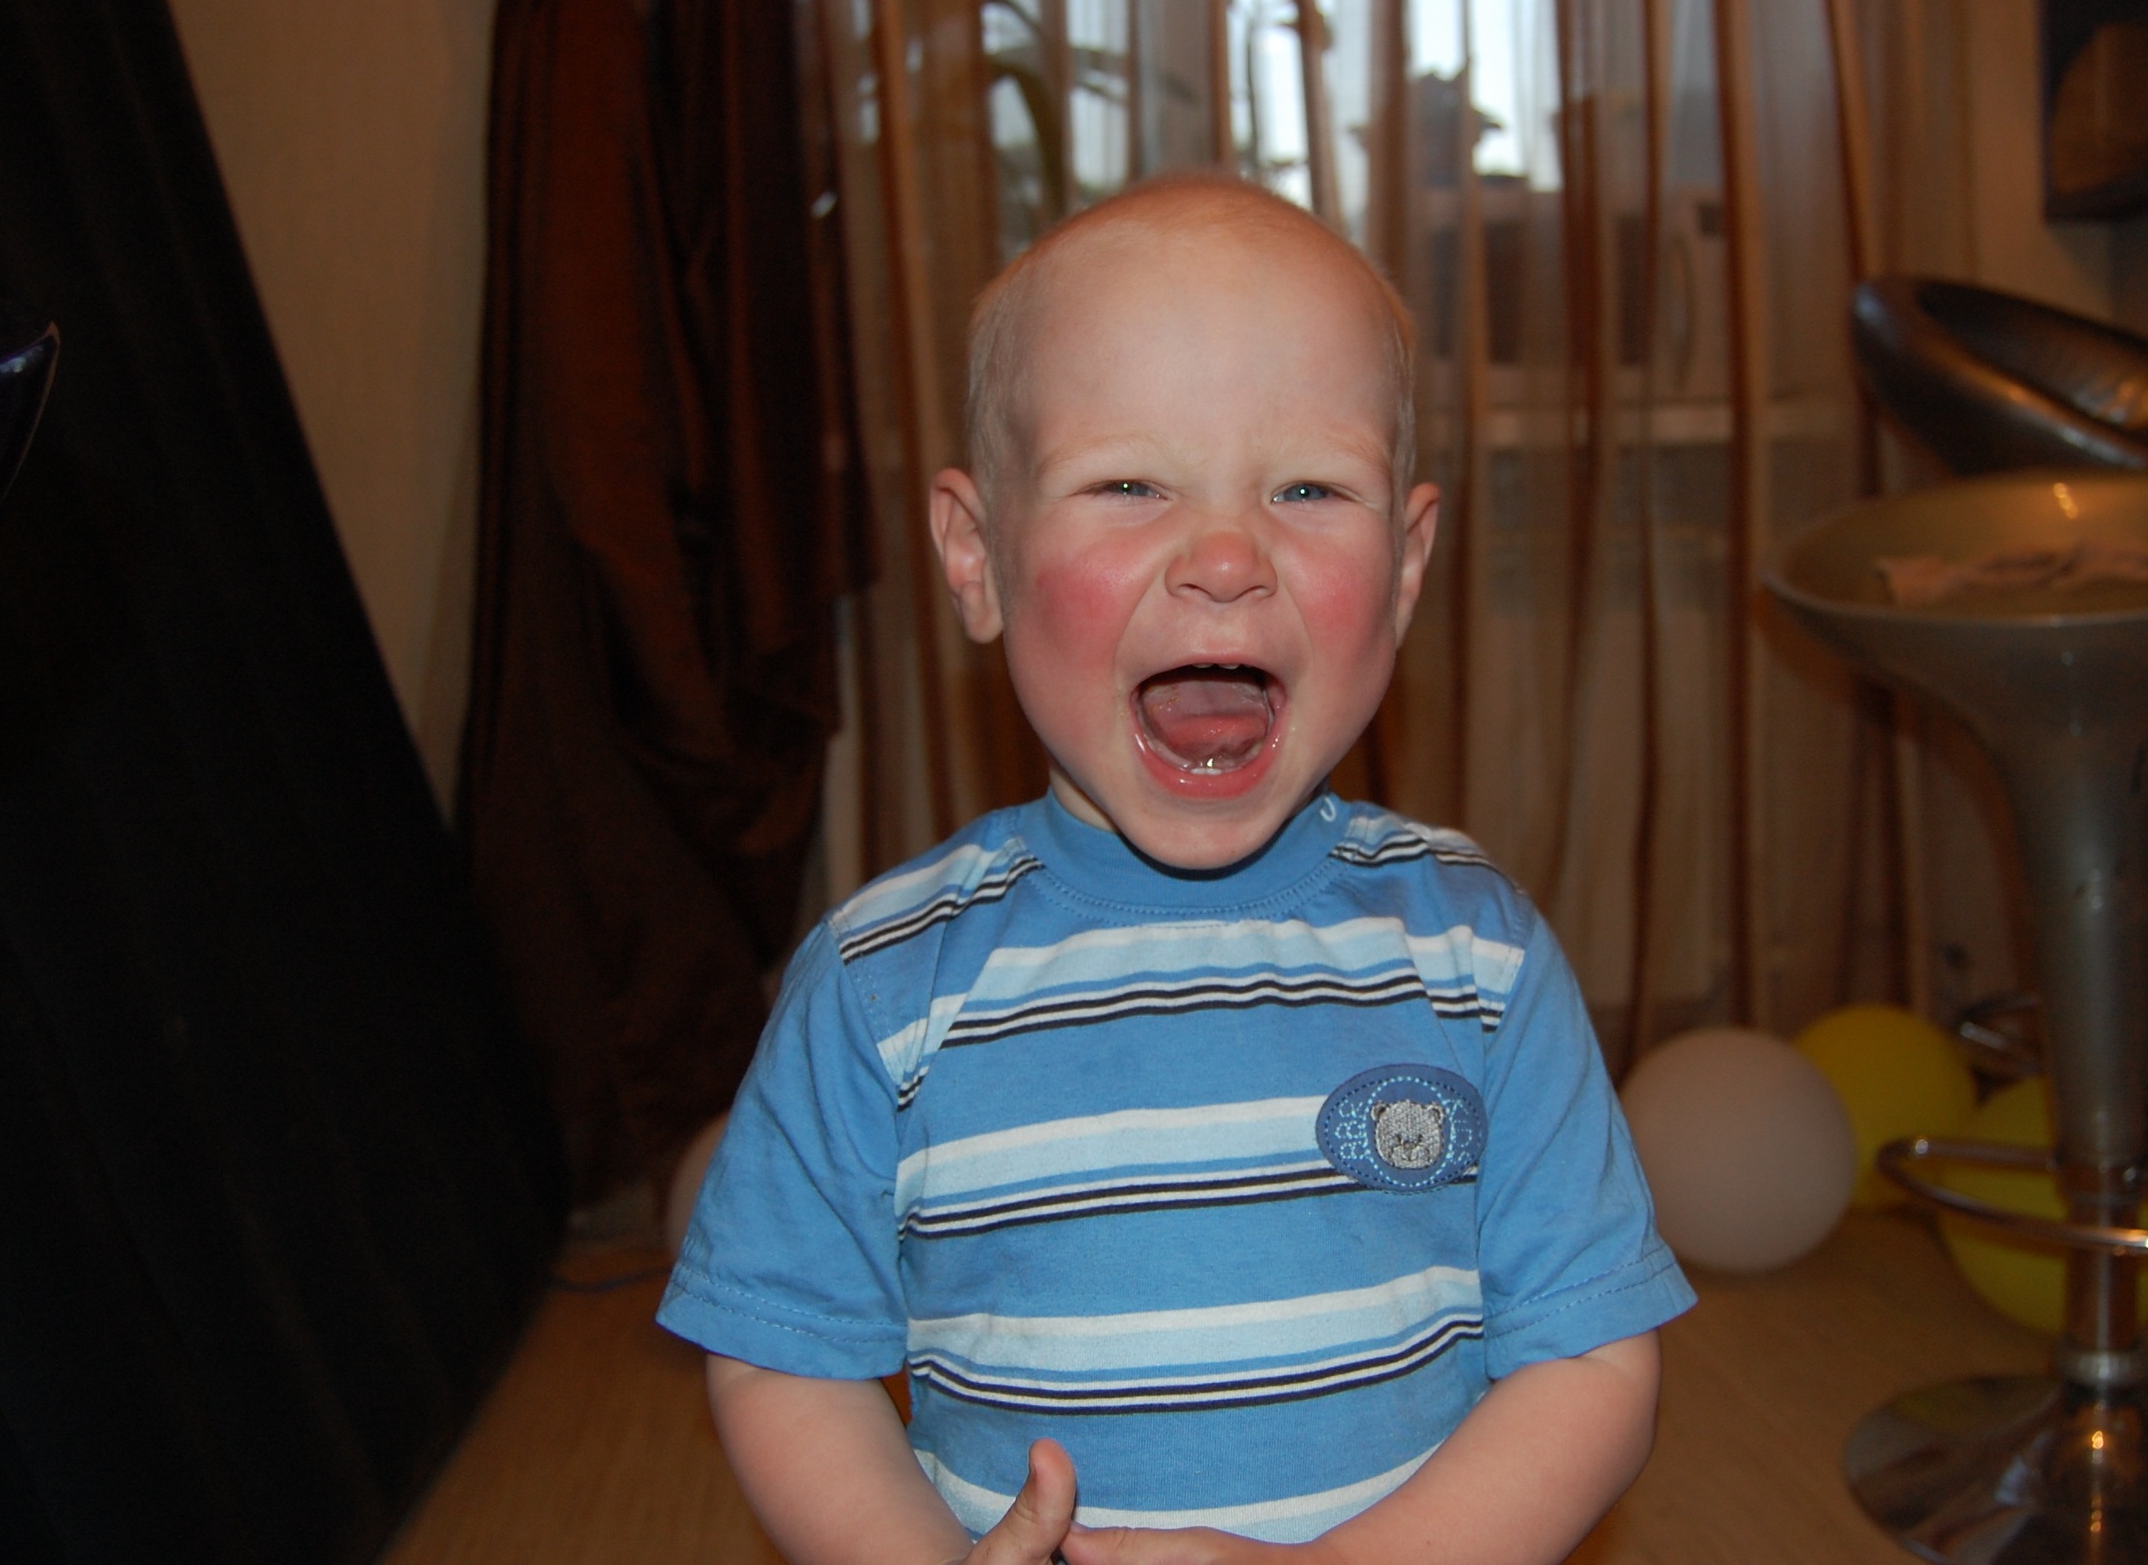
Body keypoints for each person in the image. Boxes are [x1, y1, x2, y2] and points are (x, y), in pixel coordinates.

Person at [657, 173, 1694, 1564]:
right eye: (1130, 483)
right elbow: (785, 1356)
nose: (1223, 556)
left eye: (1309, 488)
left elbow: (1593, 1359)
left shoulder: (1479, 957)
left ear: (1404, 567)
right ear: (977, 555)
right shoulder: (881, 983)